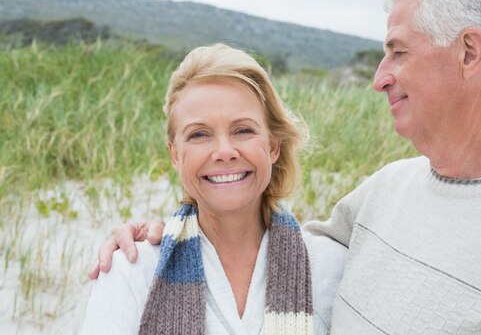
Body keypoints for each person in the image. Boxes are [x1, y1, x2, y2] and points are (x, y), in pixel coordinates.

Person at [90, 0, 481, 334]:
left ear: (468, 53)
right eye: (199, 134)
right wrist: (157, 233)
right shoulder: (385, 192)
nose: (379, 77)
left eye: (397, 52)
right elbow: (271, 246)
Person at [80, 44, 346, 335]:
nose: (224, 151)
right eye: (199, 134)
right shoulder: (132, 269)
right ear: (175, 155)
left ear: (273, 146)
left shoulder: (329, 267)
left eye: (243, 130)